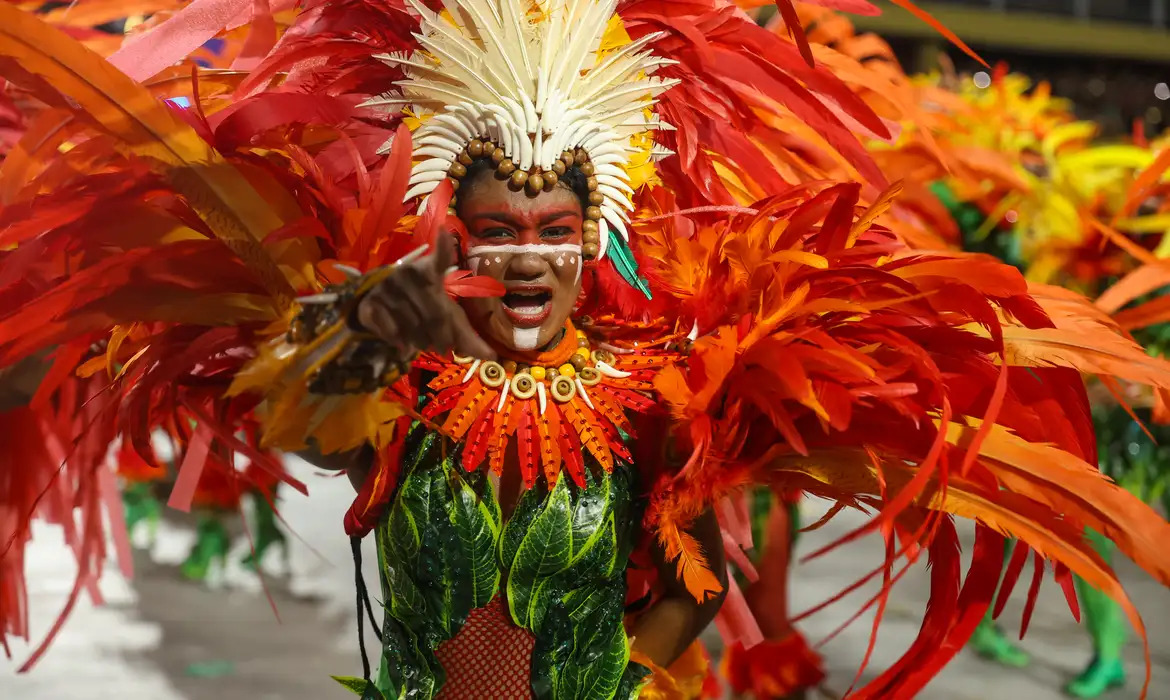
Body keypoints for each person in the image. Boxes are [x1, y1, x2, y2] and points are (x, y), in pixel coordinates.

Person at [5, 2, 1170, 698]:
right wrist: (360, 323)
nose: (525, 261)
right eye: (496, 232)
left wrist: (634, 678)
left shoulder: (647, 396)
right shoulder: (408, 386)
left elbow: (696, 589)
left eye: (554, 234)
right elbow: (293, 420)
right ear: (454, 230)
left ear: (593, 237)